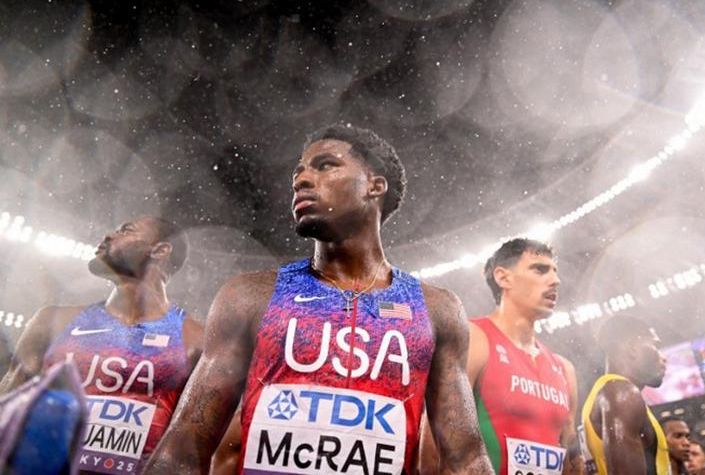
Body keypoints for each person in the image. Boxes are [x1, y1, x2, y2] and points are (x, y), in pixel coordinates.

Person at [144, 124, 494, 474]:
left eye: (325, 165)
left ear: (375, 186)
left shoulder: (436, 309)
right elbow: (184, 448)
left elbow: (465, 459)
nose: (301, 180)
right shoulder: (249, 296)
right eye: (298, 172)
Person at [0, 215, 203, 474]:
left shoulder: (195, 339)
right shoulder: (52, 322)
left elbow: (195, 444)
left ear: (160, 250)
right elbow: (6, 407)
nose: (108, 235)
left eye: (125, 230)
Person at [422, 238, 579, 474]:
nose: (555, 280)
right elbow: (432, 447)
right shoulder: (474, 339)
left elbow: (572, 459)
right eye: (540, 269)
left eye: (555, 271)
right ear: (503, 278)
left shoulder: (565, 369)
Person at [578, 313, 670, 475]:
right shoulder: (622, 394)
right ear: (633, 348)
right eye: (656, 346)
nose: (663, 358)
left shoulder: (607, 392)